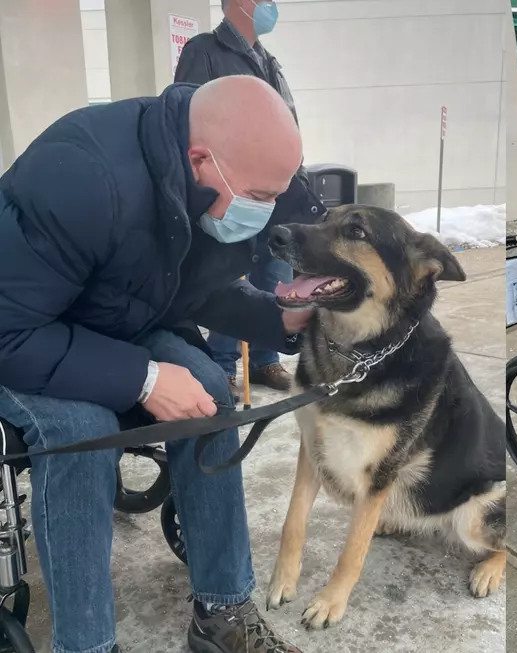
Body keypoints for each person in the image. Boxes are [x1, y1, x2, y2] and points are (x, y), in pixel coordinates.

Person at [0, 76, 322, 653]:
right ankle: (87, 645)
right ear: (201, 160)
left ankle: (222, 614)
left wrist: (281, 321)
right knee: (86, 430)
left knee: (209, 396)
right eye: (259, 196)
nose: (267, 211)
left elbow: (189, 289)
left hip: (105, 321)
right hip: (23, 331)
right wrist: (142, 378)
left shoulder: (202, 183)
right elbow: (9, 331)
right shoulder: (82, 178)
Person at [175, 0, 298, 397]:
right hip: (232, 188)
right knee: (227, 279)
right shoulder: (205, 50)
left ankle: (265, 361)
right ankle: (223, 365)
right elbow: (189, 117)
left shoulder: (270, 59)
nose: (271, 6)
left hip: (272, 191)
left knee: (276, 275)